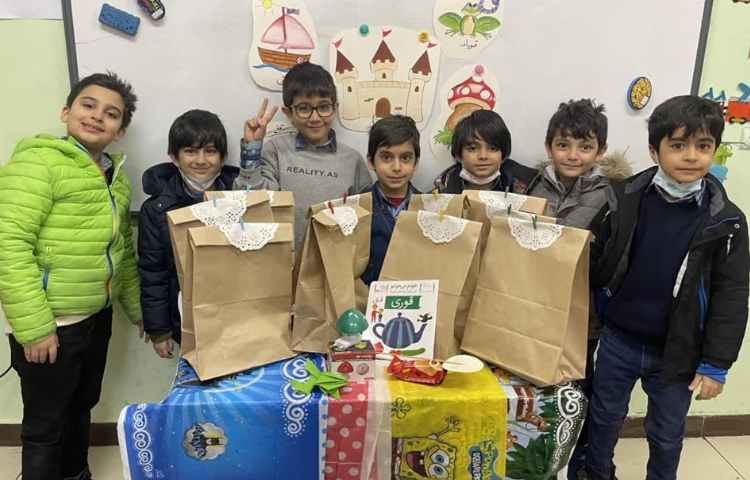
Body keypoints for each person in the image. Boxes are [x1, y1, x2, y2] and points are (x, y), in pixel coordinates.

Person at [584, 95, 750, 480]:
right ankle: (596, 474)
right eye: (677, 145)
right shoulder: (623, 198)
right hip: (619, 340)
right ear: (654, 150)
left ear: (714, 150)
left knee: (666, 434)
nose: (691, 156)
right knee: (603, 420)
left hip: (679, 351)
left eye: (703, 146)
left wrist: (716, 364)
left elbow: (732, 296)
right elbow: (596, 258)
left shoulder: (727, 222)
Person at [0, 72, 143, 480]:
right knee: (46, 425)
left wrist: (139, 312)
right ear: (66, 112)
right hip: (51, 323)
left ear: (120, 131)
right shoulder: (38, 163)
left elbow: (122, 252)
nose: (97, 116)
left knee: (81, 408)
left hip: (96, 317)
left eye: (111, 114)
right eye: (88, 105)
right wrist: (35, 328)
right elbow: (8, 244)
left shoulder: (115, 178)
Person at [525, 98, 631, 479]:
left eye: (585, 147)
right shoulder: (533, 185)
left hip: (582, 315)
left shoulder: (612, 195)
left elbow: (616, 258)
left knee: (578, 389)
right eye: (563, 145)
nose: (573, 155)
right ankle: (536, 459)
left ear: (600, 151)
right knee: (537, 388)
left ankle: (580, 464)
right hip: (534, 307)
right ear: (549, 146)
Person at [233, 62, 372, 247]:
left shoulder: (352, 160)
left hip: (332, 261)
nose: (315, 118)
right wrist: (251, 149)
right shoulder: (275, 150)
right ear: (288, 113)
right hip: (279, 258)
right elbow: (251, 203)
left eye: (323, 107)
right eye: (304, 108)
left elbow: (365, 220)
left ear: (335, 108)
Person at [138, 109, 238, 358]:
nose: (201, 160)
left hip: (236, 316)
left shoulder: (240, 198)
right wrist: (159, 330)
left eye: (210, 151)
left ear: (223, 157)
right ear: (174, 156)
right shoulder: (156, 209)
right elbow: (153, 272)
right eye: (191, 151)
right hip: (185, 320)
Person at [360, 115, 422, 285]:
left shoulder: (430, 208)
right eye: (386, 157)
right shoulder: (356, 210)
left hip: (415, 297)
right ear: (371, 161)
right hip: (368, 297)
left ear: (415, 163)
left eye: (405, 158)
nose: (396, 167)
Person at [433, 109, 535, 194]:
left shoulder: (531, 189)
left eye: (493, 148)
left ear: (503, 155)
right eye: (472, 148)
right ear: (458, 155)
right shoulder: (439, 195)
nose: (483, 156)